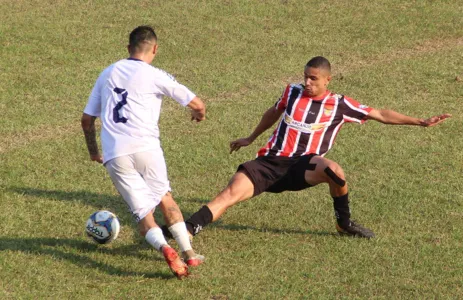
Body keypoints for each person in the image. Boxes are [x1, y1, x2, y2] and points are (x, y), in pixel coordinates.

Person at [175, 56, 451, 240]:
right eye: (305, 77)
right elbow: (273, 112)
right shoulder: (291, 92)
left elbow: (380, 114)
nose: (307, 82)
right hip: (270, 163)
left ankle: (344, 223)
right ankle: (186, 229)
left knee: (335, 172)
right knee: (229, 194)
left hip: (302, 167)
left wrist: (420, 122)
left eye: (313, 79)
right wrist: (250, 137)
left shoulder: (341, 104)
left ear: (327, 81)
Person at [81, 25, 206, 279]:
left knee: (142, 213)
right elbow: (197, 103)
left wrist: (94, 152)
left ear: (128, 48)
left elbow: (86, 120)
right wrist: (199, 113)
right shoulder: (154, 74)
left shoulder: (107, 73)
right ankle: (190, 253)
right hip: (147, 149)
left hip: (115, 154)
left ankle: (165, 248)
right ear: (155, 49)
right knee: (165, 199)